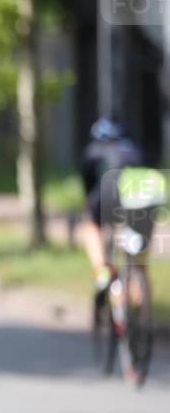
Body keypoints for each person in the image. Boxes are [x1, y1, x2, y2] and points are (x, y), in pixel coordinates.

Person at [79, 117, 143, 291]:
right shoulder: (133, 149)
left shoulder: (94, 150)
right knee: (136, 246)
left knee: (89, 225)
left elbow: (88, 186)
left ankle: (102, 269)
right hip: (141, 195)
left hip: (107, 194)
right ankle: (141, 293)